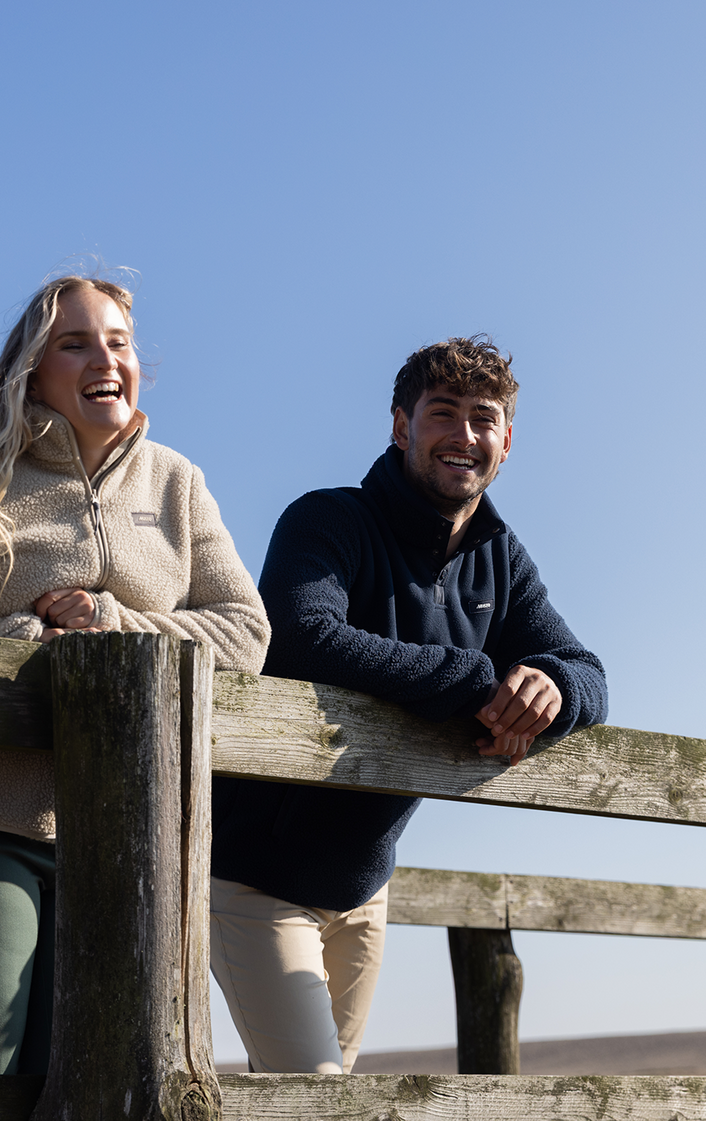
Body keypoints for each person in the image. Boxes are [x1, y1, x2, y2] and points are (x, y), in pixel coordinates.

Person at [0, 275, 270, 1076]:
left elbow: (245, 634)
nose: (105, 359)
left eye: (118, 342)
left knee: (99, 1085)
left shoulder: (177, 484)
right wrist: (26, 640)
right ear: (31, 372)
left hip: (124, 842)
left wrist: (113, 624)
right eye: (75, 344)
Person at [209, 335, 607, 1074]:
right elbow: (301, 636)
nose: (464, 435)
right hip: (255, 872)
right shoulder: (327, 520)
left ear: (507, 442)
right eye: (443, 412)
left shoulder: (501, 557)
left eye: (483, 419)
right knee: (317, 1095)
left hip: (365, 885)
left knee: (325, 1098)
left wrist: (550, 686)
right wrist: (474, 682)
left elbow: (588, 672)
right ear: (401, 426)